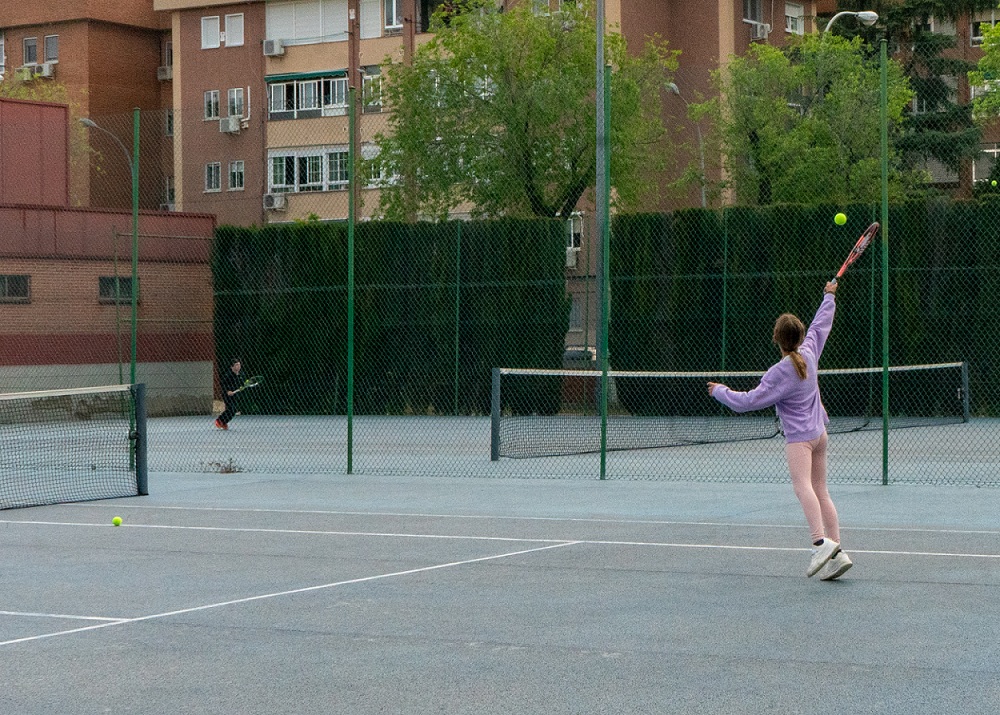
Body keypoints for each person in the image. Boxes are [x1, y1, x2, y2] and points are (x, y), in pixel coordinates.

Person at [707, 282, 852, 581]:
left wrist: (720, 390)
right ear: (799, 337)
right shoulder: (809, 352)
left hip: (800, 440)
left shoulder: (779, 373)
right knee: (821, 490)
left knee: (804, 489)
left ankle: (820, 545)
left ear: (777, 338)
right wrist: (829, 295)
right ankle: (838, 553)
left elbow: (746, 402)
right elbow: (821, 324)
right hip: (820, 435)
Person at [215, 357, 243, 430]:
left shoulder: (240, 375)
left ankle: (223, 422)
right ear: (232, 367)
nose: (238, 366)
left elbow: (241, 384)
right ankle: (219, 420)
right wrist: (227, 391)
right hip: (226, 395)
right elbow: (222, 384)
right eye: (236, 365)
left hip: (235, 395)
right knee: (231, 409)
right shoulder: (228, 375)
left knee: (232, 411)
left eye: (239, 365)